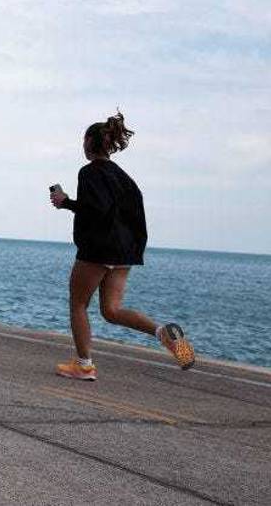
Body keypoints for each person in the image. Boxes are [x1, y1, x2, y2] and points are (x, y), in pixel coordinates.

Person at [50, 111, 195, 380]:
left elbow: (96, 208)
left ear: (91, 143)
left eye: (84, 141)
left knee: (78, 304)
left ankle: (84, 365)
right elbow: (136, 218)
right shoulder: (126, 179)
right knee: (111, 310)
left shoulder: (90, 172)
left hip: (98, 250)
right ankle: (163, 332)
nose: (82, 146)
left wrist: (65, 202)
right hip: (124, 252)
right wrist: (133, 251)